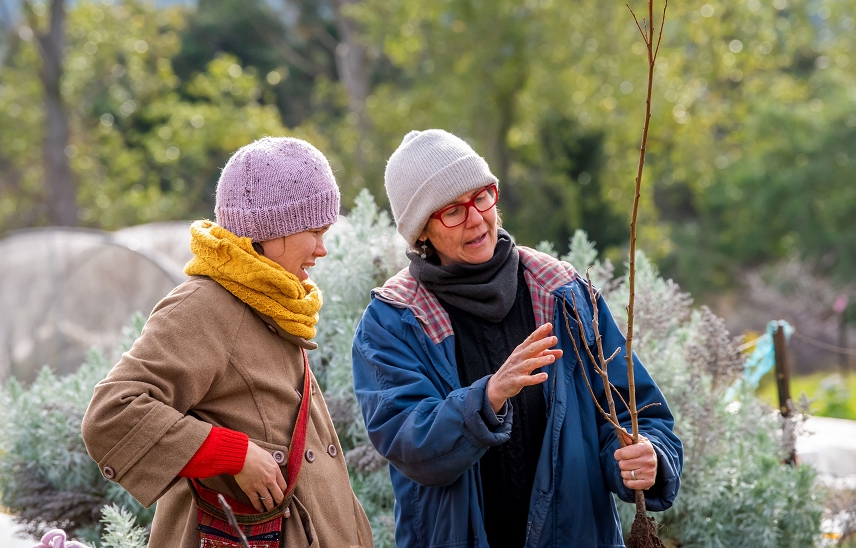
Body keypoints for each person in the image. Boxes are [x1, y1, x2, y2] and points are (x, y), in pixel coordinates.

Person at [352, 129, 683, 548]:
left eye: (481, 196)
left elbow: (638, 411)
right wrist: (487, 397)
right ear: (421, 233)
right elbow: (408, 443)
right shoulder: (394, 320)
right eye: (452, 210)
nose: (475, 218)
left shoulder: (564, 293)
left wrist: (647, 456)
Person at [82, 137, 374, 548]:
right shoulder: (204, 304)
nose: (322, 250)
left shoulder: (270, 299)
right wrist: (232, 455)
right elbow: (113, 413)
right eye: (315, 231)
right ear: (271, 230)